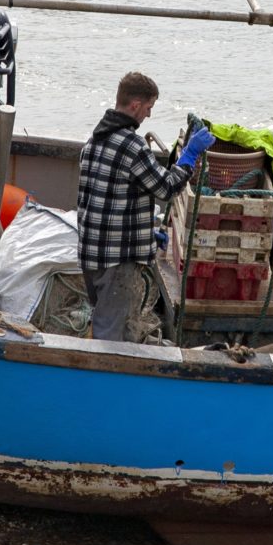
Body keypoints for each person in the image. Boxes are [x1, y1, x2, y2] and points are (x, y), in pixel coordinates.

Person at [77, 71, 213, 343]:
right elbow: (166, 188)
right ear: (135, 105)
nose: (149, 115)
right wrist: (189, 155)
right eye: (149, 108)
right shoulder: (132, 145)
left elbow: (106, 202)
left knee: (112, 324)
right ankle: (105, 370)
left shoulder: (94, 141)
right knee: (111, 338)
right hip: (117, 264)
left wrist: (146, 234)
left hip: (91, 256)